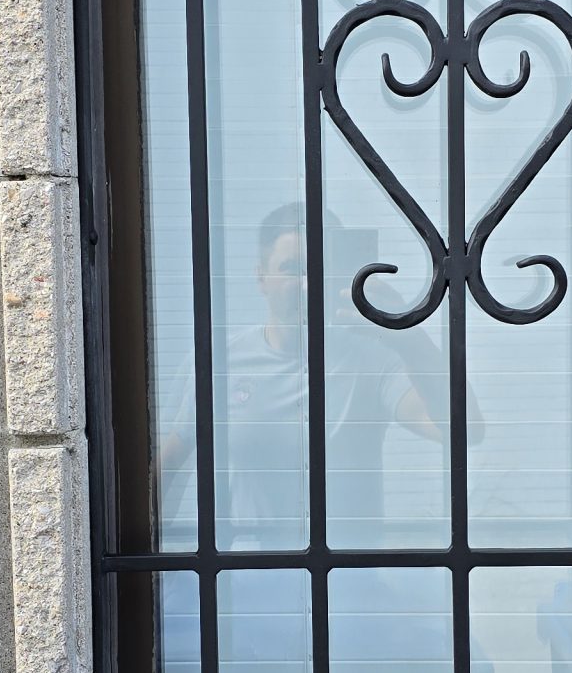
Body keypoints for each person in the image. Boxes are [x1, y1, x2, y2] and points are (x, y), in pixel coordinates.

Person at [157, 200, 475, 544]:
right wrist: (154, 567)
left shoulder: (373, 359)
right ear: (261, 276)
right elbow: (170, 463)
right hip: (247, 578)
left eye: (319, 268)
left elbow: (462, 429)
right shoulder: (220, 362)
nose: (307, 284)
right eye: (292, 269)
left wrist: (409, 334)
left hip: (349, 580)